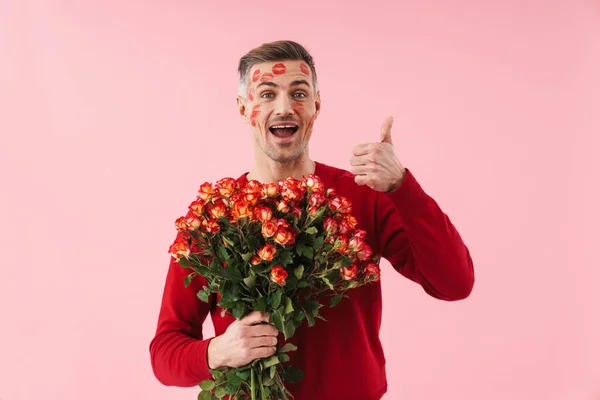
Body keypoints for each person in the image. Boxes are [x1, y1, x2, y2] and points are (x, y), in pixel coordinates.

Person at [149, 40, 475, 400]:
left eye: (299, 93)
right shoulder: (214, 218)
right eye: (268, 94)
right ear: (244, 109)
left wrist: (401, 186)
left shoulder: (363, 198)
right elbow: (165, 352)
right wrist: (216, 352)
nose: (285, 107)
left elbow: (454, 283)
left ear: (316, 106)